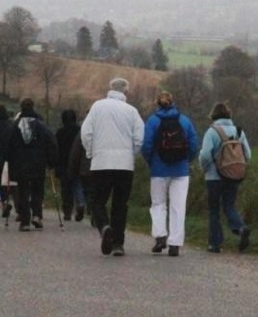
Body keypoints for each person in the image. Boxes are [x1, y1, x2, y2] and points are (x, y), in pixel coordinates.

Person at [81, 77, 144, 256]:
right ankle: (118, 243)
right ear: (126, 92)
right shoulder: (132, 111)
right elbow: (139, 138)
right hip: (124, 165)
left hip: (101, 162)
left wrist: (91, 152)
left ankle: (104, 226)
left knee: (97, 200)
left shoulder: (97, 107)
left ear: (110, 89)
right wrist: (131, 154)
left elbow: (86, 133)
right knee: (120, 204)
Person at [141, 91, 198, 257]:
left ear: (157, 104)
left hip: (159, 169)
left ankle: (160, 236)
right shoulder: (184, 120)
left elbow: (147, 146)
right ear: (173, 102)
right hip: (181, 169)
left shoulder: (152, 121)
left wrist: (151, 162)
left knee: (158, 203)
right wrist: (187, 161)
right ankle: (175, 244)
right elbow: (194, 144)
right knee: (178, 206)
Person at [198, 102, 252, 253]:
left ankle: (215, 243)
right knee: (229, 206)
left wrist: (204, 168)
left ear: (213, 115)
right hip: (234, 176)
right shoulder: (239, 131)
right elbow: (248, 154)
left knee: (214, 210)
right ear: (229, 115)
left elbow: (205, 155)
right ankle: (240, 228)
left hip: (214, 177)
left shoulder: (212, 131)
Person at [8, 98, 57, 231]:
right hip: (38, 162)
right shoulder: (41, 125)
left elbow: (7, 145)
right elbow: (51, 143)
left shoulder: (14, 125)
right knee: (37, 189)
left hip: (20, 163)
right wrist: (51, 162)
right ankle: (37, 215)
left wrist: (7, 161)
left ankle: (25, 221)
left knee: (23, 191)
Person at [55, 109, 86, 222]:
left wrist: (54, 163)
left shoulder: (60, 133)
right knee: (78, 185)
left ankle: (67, 211)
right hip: (78, 163)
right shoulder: (80, 131)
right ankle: (81, 203)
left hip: (63, 164)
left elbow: (55, 149)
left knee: (65, 189)